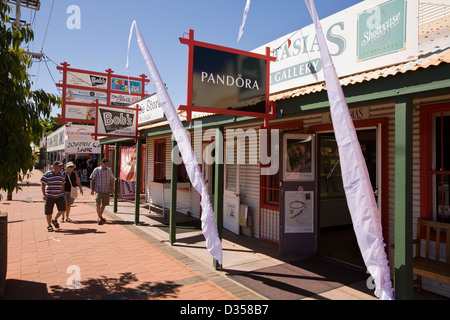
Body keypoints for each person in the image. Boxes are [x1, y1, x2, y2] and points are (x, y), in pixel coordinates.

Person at [41, 161, 66, 232]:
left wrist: (63, 192)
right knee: (48, 212)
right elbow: (43, 184)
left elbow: (63, 184)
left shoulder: (61, 175)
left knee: (62, 209)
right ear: (54, 166)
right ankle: (49, 225)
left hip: (59, 195)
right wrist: (44, 194)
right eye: (59, 166)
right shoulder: (48, 174)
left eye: (61, 166)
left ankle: (54, 219)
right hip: (50, 196)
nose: (61, 168)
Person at [90, 158, 115, 225]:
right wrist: (92, 189)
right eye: (105, 164)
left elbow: (111, 179)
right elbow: (92, 179)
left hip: (106, 190)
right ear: (101, 163)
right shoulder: (97, 170)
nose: (106, 165)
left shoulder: (109, 170)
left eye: (107, 164)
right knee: (98, 204)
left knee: (104, 204)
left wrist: (112, 187)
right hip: (98, 190)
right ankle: (99, 217)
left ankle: (100, 216)